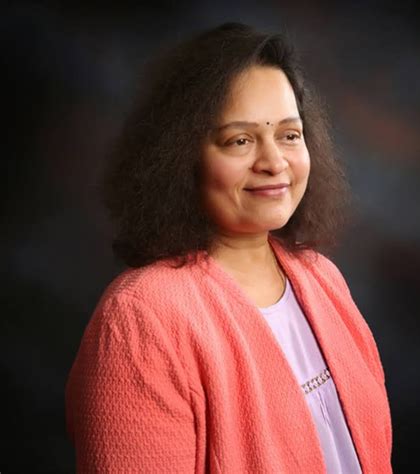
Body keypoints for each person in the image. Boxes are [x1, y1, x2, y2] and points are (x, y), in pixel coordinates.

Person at [66, 22, 392, 473]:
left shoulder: (321, 277)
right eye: (240, 140)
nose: (274, 162)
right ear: (182, 159)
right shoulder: (140, 319)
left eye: (289, 135)